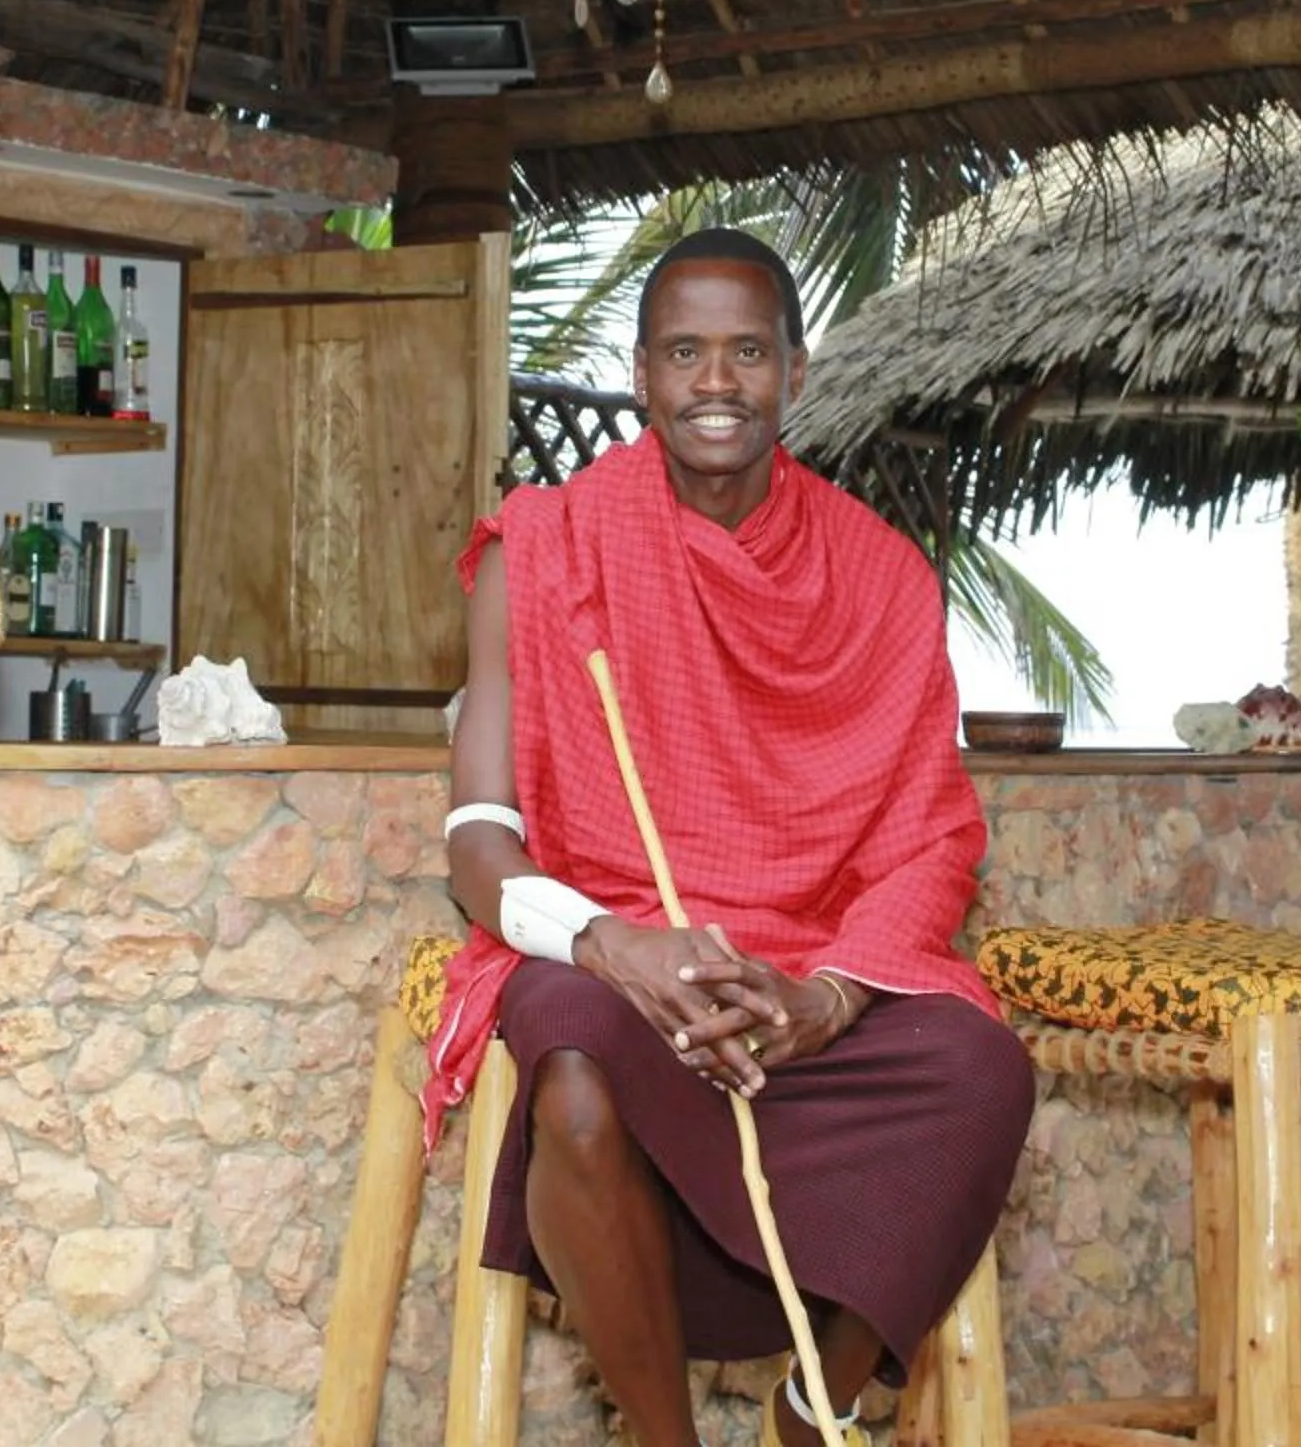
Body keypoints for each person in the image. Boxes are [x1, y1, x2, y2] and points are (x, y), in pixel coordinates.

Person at [424, 228, 1034, 1447]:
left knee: (982, 1067)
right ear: (641, 374)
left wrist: (829, 998)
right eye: (687, 352)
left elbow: (927, 836)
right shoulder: (545, 548)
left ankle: (817, 1410)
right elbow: (479, 847)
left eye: (747, 351)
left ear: (794, 373)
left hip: (803, 971)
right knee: (579, 1077)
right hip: (615, 951)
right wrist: (615, 949)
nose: (717, 381)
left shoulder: (883, 574)